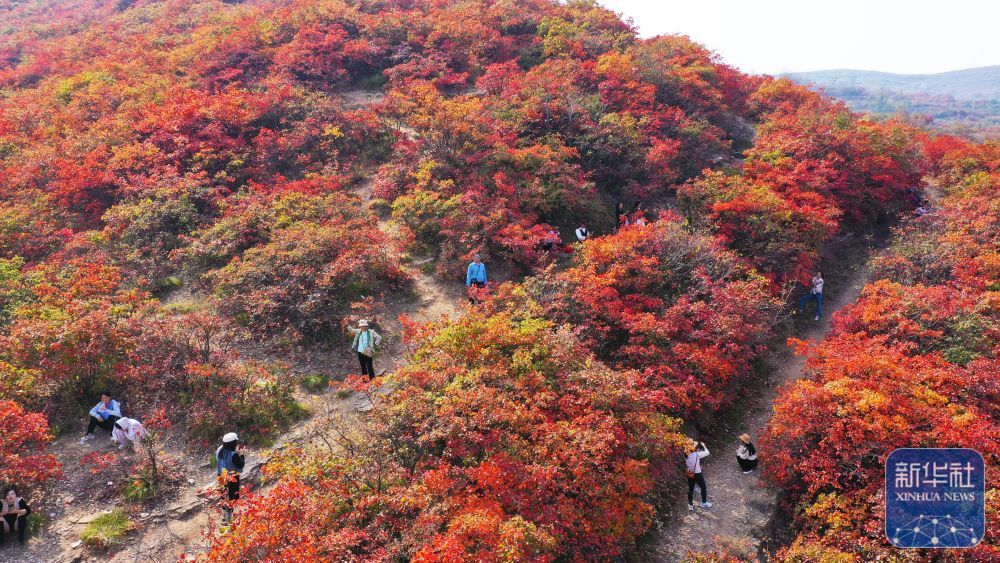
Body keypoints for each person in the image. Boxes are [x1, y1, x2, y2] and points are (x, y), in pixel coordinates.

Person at [216, 432, 247, 528]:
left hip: (221, 477)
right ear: (233, 443)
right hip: (232, 479)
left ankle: (224, 517)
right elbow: (240, 465)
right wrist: (241, 454)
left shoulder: (219, 449)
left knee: (224, 497)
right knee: (231, 498)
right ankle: (229, 522)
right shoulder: (234, 455)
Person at [685, 440, 712, 510]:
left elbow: (693, 453)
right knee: (703, 487)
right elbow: (707, 452)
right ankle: (704, 502)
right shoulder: (697, 454)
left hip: (689, 472)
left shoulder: (685, 453)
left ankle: (690, 505)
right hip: (697, 473)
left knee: (690, 489)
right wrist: (704, 445)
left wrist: (696, 450)